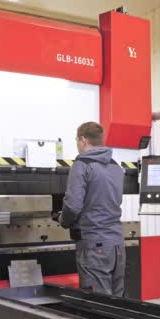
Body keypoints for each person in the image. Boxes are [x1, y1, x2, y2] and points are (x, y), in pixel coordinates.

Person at [57, 121, 125, 296]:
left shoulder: (82, 165)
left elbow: (72, 206)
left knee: (97, 302)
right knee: (118, 301)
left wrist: (62, 220)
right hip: (117, 244)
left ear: (82, 140)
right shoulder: (116, 166)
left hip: (95, 245)